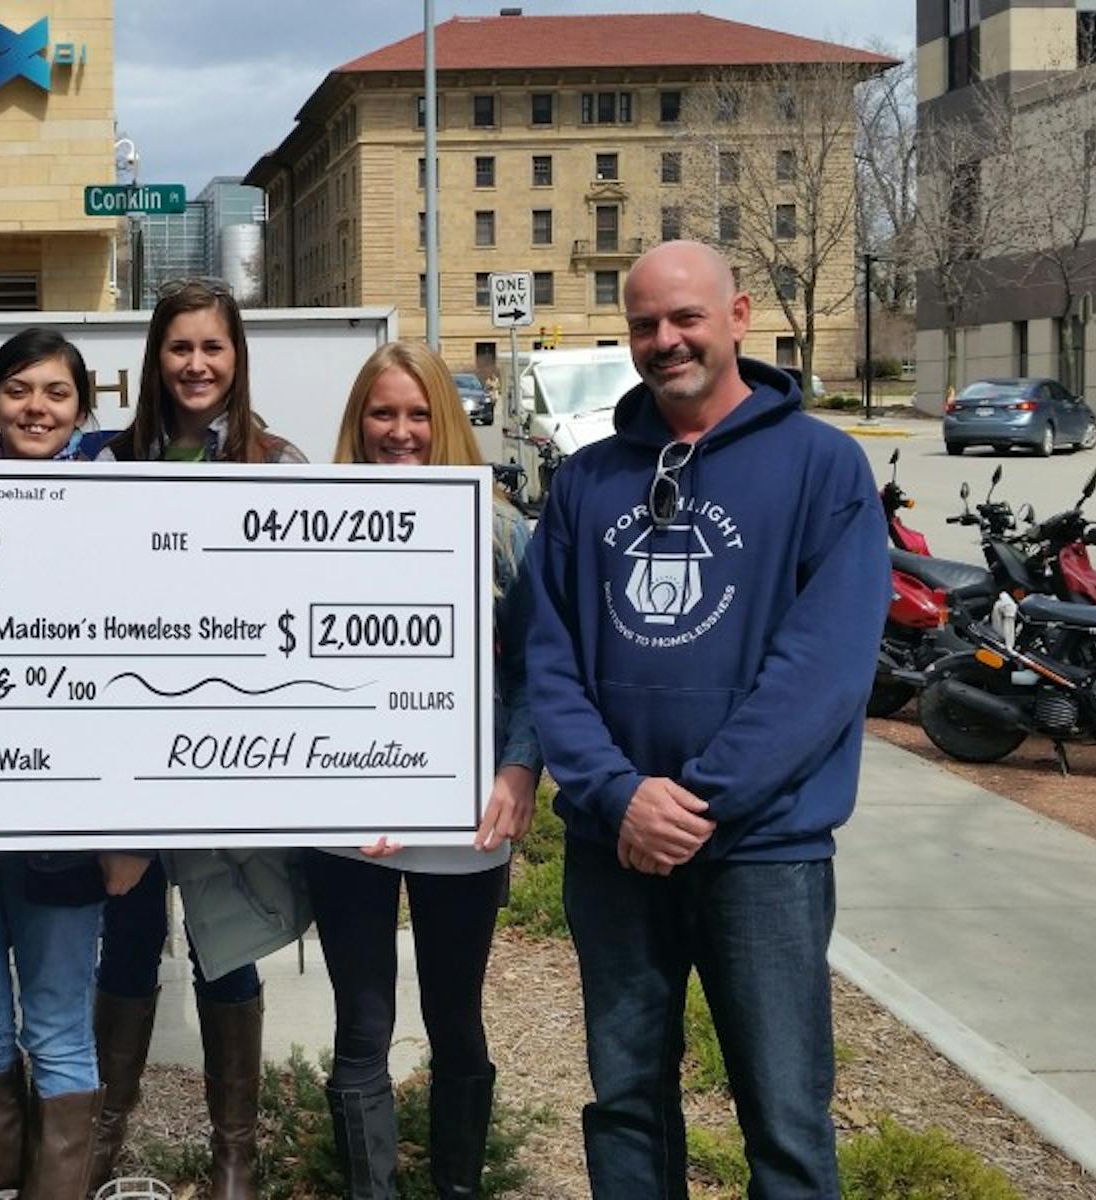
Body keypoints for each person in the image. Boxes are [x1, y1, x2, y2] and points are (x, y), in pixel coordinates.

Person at [524, 240, 887, 1196]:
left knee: (785, 1117)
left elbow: (825, 669)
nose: (664, 339)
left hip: (763, 851)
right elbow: (550, 659)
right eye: (644, 323)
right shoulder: (589, 480)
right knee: (628, 1104)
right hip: (616, 850)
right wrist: (617, 796)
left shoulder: (823, 468)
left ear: (740, 315)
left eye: (685, 317)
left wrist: (697, 800)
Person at [85, 278, 311, 1199]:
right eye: (179, 348)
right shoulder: (106, 462)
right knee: (127, 947)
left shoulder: (279, 463)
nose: (196, 365)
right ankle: (97, 1149)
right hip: (132, 765)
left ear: (237, 355)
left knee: (227, 949)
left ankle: (234, 1160)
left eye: (213, 348)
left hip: (231, 765)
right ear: (155, 359)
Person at [307, 342, 541, 1198]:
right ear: (356, 422)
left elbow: (531, 668)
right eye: (382, 414)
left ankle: (456, 1188)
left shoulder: (501, 528)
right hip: (349, 830)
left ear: (446, 418)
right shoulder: (311, 519)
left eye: (417, 414)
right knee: (362, 1030)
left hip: (463, 822)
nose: (400, 432)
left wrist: (518, 770)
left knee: (455, 1021)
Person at [0, 328, 136, 1200]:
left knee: (57, 1030)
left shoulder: (118, 517)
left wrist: (133, 836)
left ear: (84, 410)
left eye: (55, 393)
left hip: (69, 834)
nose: (35, 408)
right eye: (18, 390)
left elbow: (145, 671)